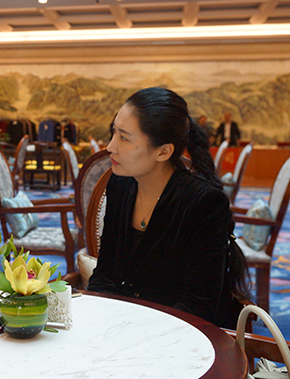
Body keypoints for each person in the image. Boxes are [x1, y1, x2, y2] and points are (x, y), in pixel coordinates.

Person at [87, 87, 250, 329]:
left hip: (184, 334)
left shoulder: (203, 203)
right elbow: (105, 273)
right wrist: (101, 321)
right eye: (113, 132)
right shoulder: (120, 185)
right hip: (124, 326)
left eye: (124, 137)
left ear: (163, 151)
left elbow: (198, 306)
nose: (110, 146)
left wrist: (135, 331)